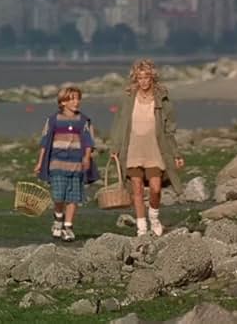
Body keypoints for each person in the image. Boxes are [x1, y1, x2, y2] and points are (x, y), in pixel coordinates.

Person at [108, 59, 185, 237]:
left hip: (155, 149)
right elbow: (119, 123)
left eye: (146, 77)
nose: (143, 81)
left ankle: (155, 218)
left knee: (156, 188)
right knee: (136, 188)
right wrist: (115, 146)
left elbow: (169, 129)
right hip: (133, 147)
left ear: (152, 78)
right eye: (139, 78)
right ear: (135, 79)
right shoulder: (128, 98)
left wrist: (176, 153)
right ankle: (141, 227)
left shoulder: (162, 99)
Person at [33, 86, 99, 242]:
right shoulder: (53, 120)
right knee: (58, 195)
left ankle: (68, 227)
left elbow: (89, 142)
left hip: (76, 164)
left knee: (73, 198)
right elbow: (44, 143)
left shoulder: (83, 121)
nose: (76, 102)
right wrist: (40, 163)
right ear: (62, 102)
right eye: (71, 99)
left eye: (77, 98)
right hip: (57, 163)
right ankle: (58, 219)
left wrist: (87, 158)